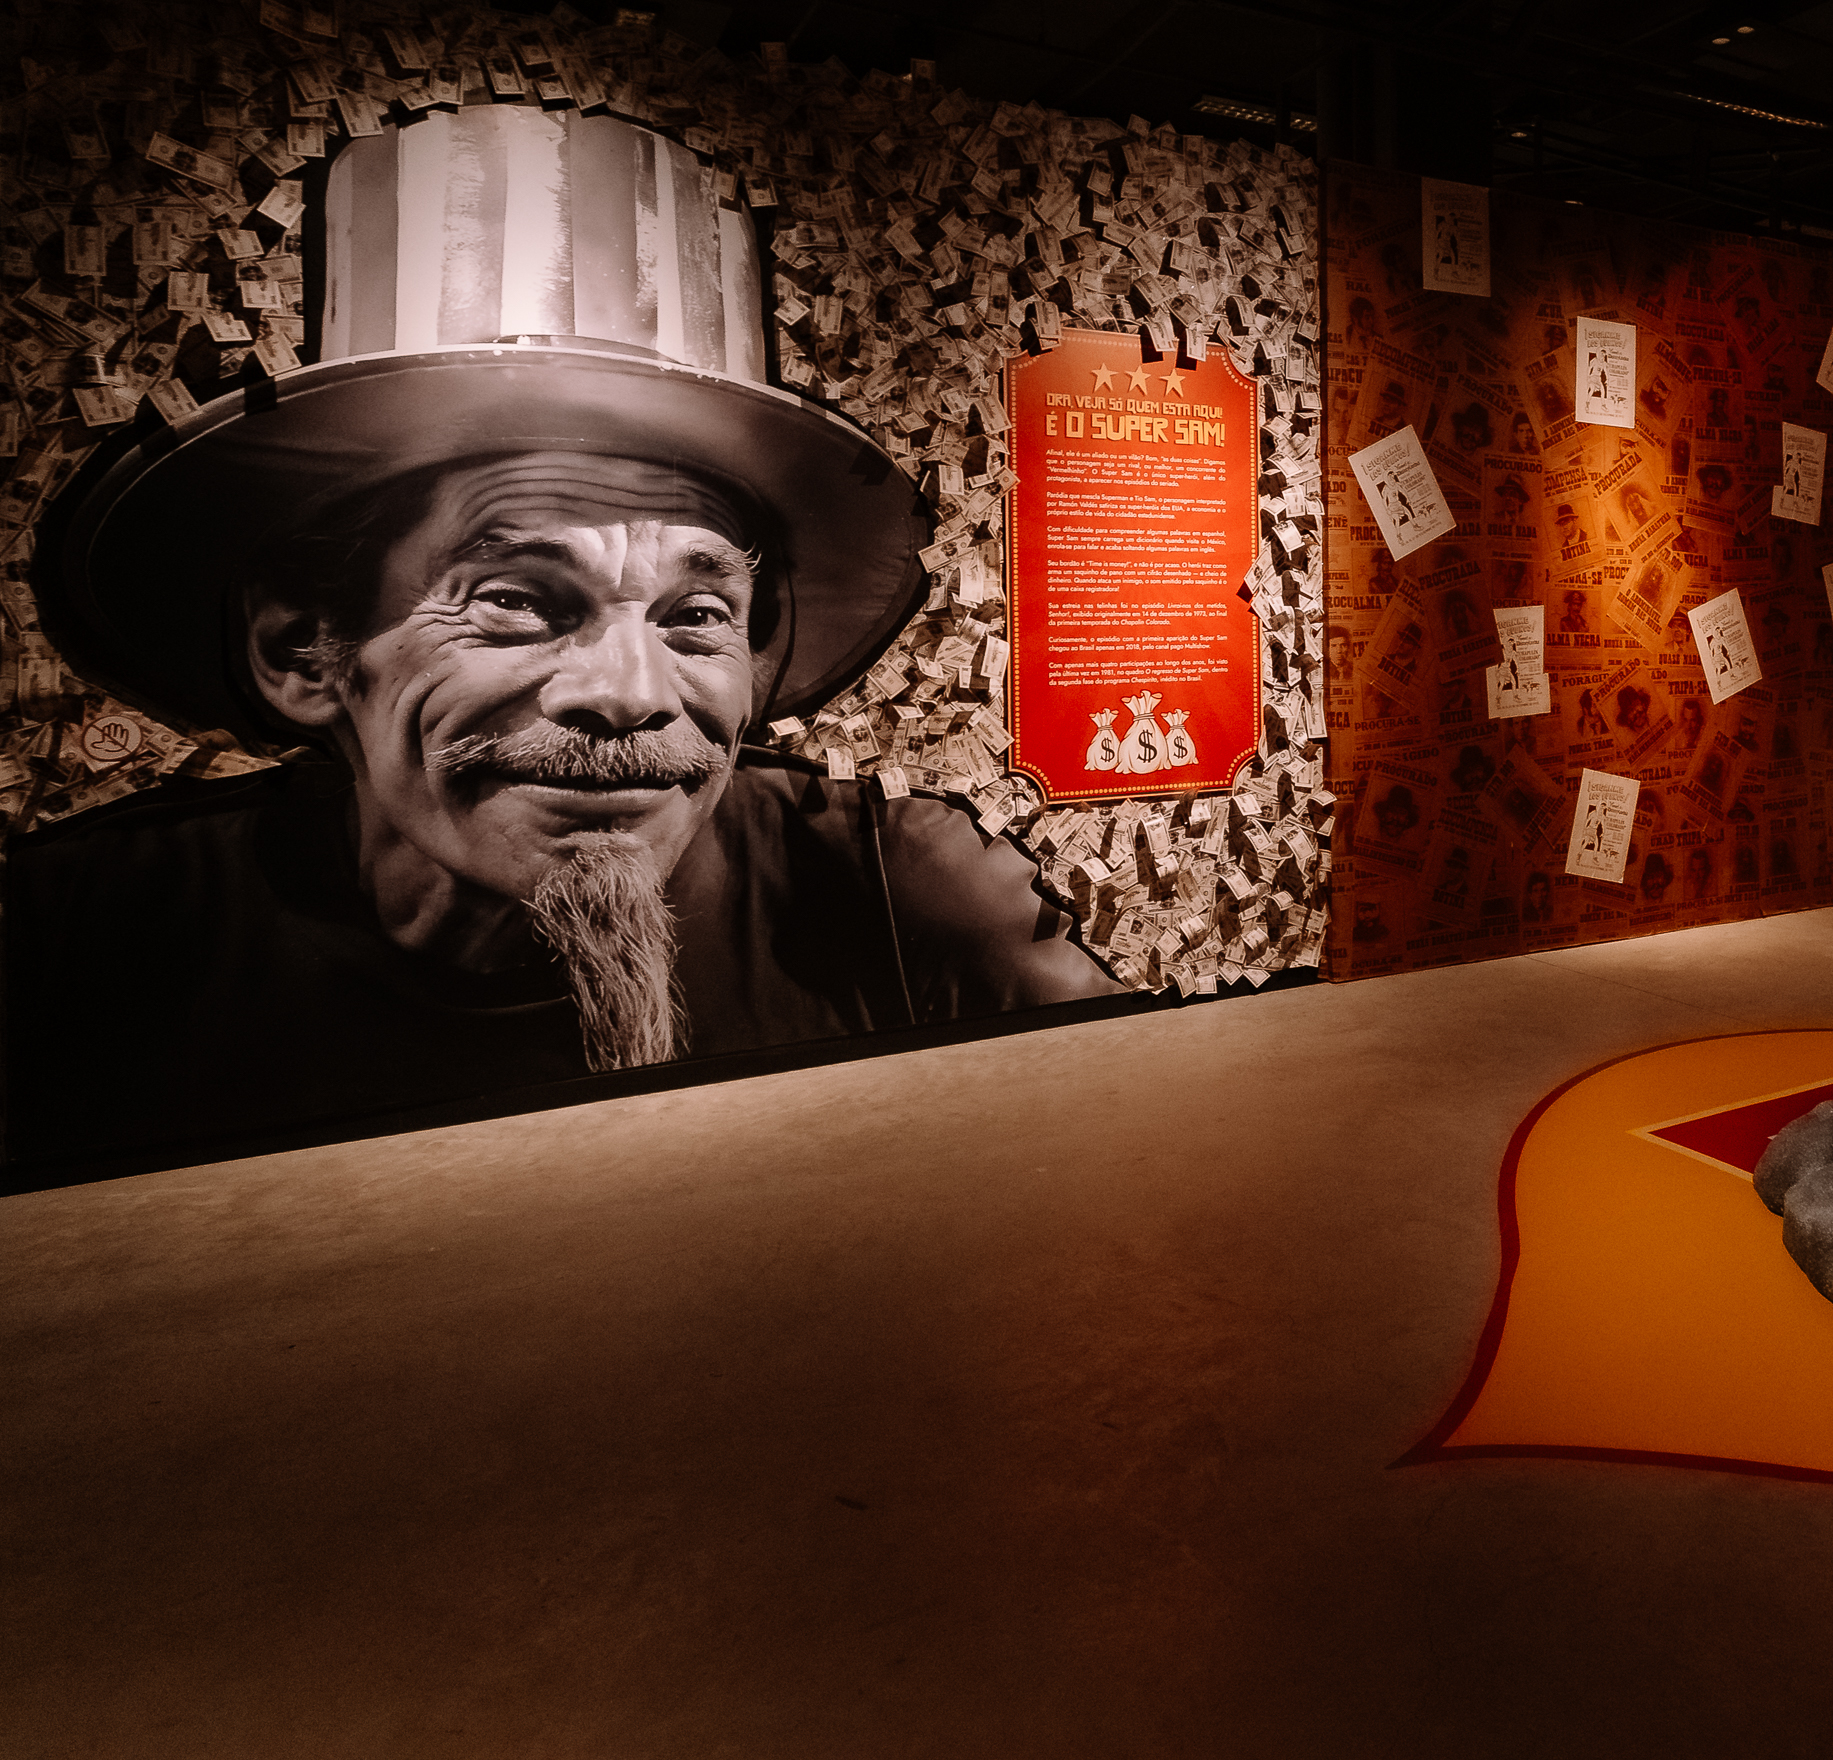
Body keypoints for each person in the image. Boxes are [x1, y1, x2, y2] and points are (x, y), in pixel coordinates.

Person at [6, 104, 1111, 1165]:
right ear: (304, 652)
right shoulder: (84, 937)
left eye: (696, 616)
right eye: (520, 601)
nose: (631, 693)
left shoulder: (893, 888)